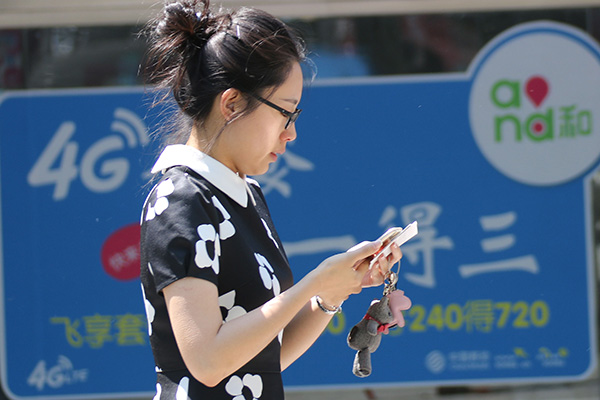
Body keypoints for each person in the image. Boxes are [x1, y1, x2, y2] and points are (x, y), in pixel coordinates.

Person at [139, 1, 403, 398]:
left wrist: (331, 293)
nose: (291, 133)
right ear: (231, 104)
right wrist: (315, 281)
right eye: (284, 113)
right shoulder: (181, 198)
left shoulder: (243, 194)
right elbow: (208, 361)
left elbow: (264, 359)